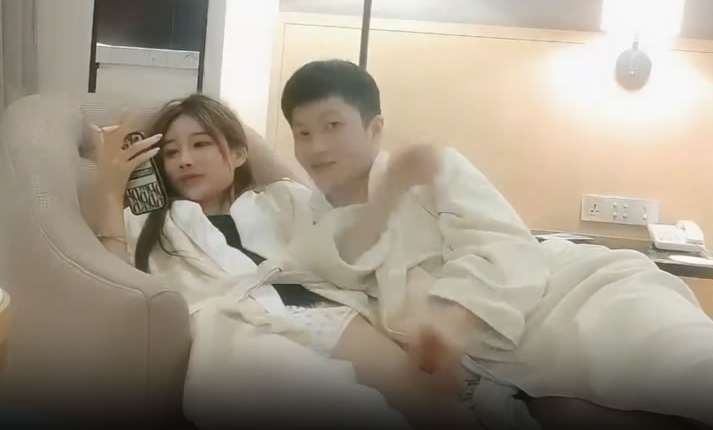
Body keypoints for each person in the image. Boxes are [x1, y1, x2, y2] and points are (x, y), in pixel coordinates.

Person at [280, 59, 713, 430]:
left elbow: (506, 244)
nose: (317, 147)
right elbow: (336, 265)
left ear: (374, 127)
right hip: (503, 362)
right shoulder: (311, 222)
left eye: (332, 126)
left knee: (702, 374)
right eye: (302, 133)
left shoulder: (430, 169)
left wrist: (452, 318)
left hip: (567, 293)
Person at [90, 94, 479, 430]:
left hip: (321, 310)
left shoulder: (282, 199)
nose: (184, 160)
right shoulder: (149, 221)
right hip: (238, 326)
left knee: (433, 404)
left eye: (201, 144)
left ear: (238, 154)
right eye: (171, 153)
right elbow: (117, 286)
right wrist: (111, 189)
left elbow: (346, 239)